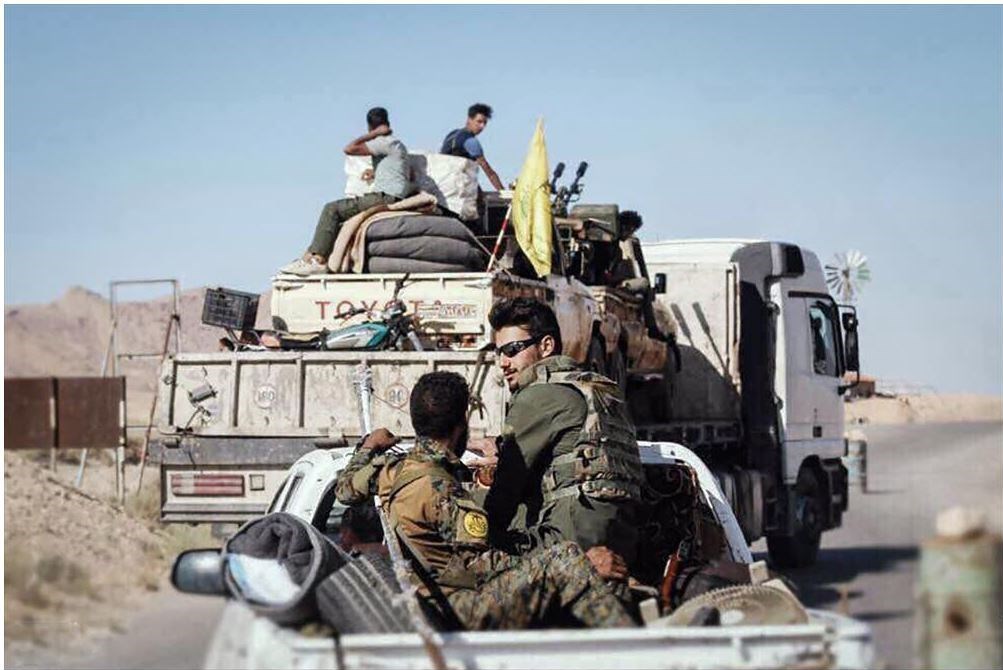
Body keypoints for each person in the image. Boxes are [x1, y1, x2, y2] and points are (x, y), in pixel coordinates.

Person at [334, 371, 634, 630]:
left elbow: (345, 490)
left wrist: (369, 446)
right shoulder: (441, 490)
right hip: (461, 606)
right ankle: (637, 655)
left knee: (576, 567)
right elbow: (482, 567)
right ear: (460, 425)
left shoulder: (389, 471)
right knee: (571, 559)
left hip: (433, 597)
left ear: (416, 420)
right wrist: (573, 562)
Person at [473, 298, 645, 573]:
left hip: (570, 540)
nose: (503, 363)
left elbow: (505, 493)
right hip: (622, 539)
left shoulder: (538, 395)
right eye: (499, 353)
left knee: (468, 516)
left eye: (513, 350)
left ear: (546, 346)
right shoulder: (595, 389)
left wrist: (478, 539)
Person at [282, 107, 414, 276]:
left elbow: (349, 149)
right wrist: (376, 173)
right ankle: (309, 256)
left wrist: (374, 134)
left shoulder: (384, 142)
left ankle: (318, 260)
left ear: (370, 127)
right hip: (393, 195)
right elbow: (403, 173)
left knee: (331, 209)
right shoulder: (398, 146)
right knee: (339, 222)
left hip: (385, 197)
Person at [440, 103, 505, 191]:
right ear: (469, 120)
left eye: (485, 123)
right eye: (479, 121)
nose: (482, 126)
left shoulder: (452, 134)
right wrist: (503, 192)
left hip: (443, 183)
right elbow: (488, 171)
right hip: (456, 186)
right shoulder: (471, 141)